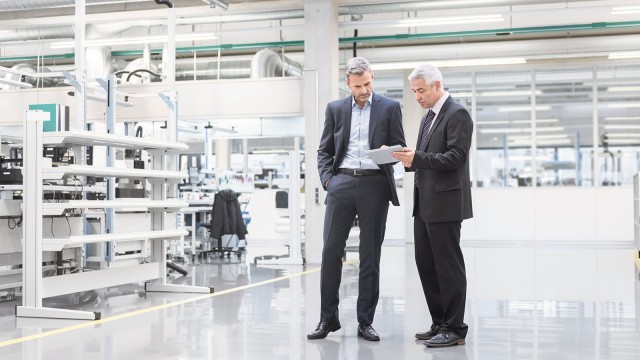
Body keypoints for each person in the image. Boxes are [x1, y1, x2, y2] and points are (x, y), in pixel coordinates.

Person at [307, 57, 406, 341]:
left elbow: (400, 150)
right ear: (348, 84)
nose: (364, 90)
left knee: (369, 255)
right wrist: (329, 180)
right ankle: (328, 319)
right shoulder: (335, 109)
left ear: (372, 78)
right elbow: (324, 150)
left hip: (376, 184)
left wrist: (391, 152)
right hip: (342, 183)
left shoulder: (389, 107)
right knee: (330, 252)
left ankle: (365, 321)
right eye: (358, 86)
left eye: (368, 84)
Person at [391, 64, 473, 348]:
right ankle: (440, 323)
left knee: (448, 267)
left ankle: (455, 328)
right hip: (424, 203)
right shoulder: (428, 117)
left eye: (421, 90)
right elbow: (425, 157)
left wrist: (419, 158)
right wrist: (409, 159)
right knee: (426, 264)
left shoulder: (457, 114)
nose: (417, 96)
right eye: (414, 91)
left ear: (437, 85)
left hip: (446, 203)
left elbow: (456, 158)